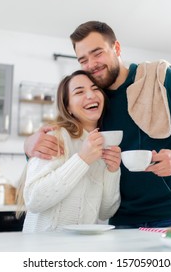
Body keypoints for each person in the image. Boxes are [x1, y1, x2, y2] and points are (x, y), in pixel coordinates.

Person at [24, 21, 171, 229]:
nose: (91, 64)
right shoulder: (95, 105)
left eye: (97, 53)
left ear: (116, 48)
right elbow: (68, 146)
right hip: (121, 220)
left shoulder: (160, 78)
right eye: (83, 60)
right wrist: (29, 146)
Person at [18, 70, 121, 232]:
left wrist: (113, 172)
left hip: (82, 249)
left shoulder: (102, 145)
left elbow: (105, 212)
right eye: (79, 91)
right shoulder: (55, 136)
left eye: (95, 89)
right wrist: (82, 160)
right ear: (68, 107)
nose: (90, 95)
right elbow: (33, 199)